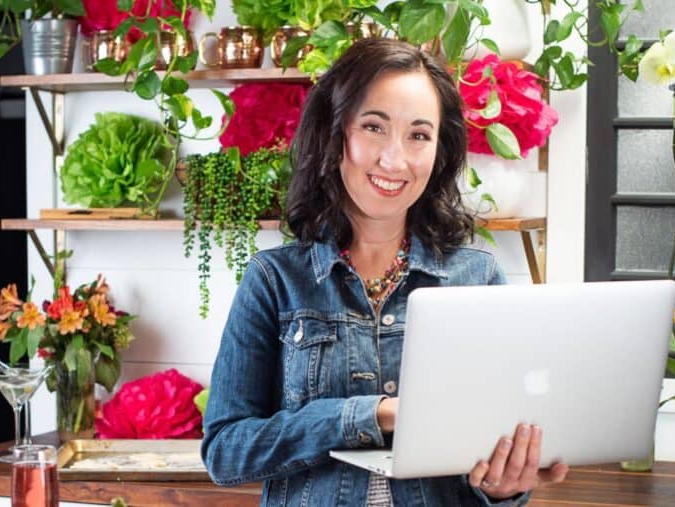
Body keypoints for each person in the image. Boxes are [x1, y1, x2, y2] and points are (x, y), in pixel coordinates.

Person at [201, 38, 568, 506]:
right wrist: (372, 415)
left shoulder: (477, 278)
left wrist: (503, 490)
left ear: (439, 151)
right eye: (374, 127)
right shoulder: (274, 280)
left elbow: (489, 454)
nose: (395, 160)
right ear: (336, 136)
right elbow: (226, 452)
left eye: (419, 135)